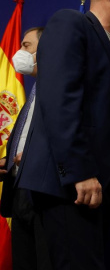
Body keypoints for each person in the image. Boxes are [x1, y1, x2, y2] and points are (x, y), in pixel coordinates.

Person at [12, 0, 110, 270]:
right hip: (71, 186)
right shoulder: (70, 23)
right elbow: (60, 100)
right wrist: (78, 171)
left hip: (100, 187)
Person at [0, 27, 53, 270]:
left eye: (26, 45)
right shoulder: (33, 92)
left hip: (44, 196)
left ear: (44, 52)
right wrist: (9, 161)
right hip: (19, 192)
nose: (19, 51)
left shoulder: (58, 94)